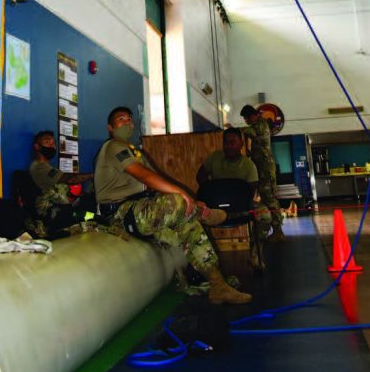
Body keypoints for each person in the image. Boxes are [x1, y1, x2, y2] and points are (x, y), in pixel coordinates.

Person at [94, 106, 252, 305]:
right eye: (121, 119)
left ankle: (217, 284)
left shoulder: (134, 151)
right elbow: (145, 176)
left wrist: (190, 201)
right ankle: (205, 214)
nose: (127, 122)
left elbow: (157, 179)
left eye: (129, 119)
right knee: (178, 201)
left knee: (188, 222)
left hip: (140, 208)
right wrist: (183, 195)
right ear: (110, 127)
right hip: (118, 213)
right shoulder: (113, 146)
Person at [196, 126, 272, 269]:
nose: (228, 146)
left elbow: (250, 194)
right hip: (215, 209)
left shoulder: (249, 166)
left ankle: (255, 255)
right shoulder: (214, 158)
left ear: (241, 144)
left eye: (232, 142)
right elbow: (200, 177)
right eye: (226, 142)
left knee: (265, 214)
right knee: (195, 214)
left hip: (240, 209)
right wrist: (211, 195)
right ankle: (208, 261)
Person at [29, 129, 94, 233]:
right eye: (47, 142)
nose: (51, 145)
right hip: (53, 214)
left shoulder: (48, 167)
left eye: (53, 143)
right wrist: (92, 175)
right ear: (37, 147)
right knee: (89, 217)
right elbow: (69, 179)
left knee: (90, 209)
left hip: (63, 210)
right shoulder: (39, 167)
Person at [240, 105, 284, 241]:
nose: (246, 122)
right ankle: (275, 230)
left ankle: (278, 231)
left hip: (265, 167)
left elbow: (249, 132)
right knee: (266, 198)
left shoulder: (261, 124)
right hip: (261, 167)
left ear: (252, 116)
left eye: (246, 119)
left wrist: (235, 129)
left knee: (270, 198)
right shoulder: (258, 124)